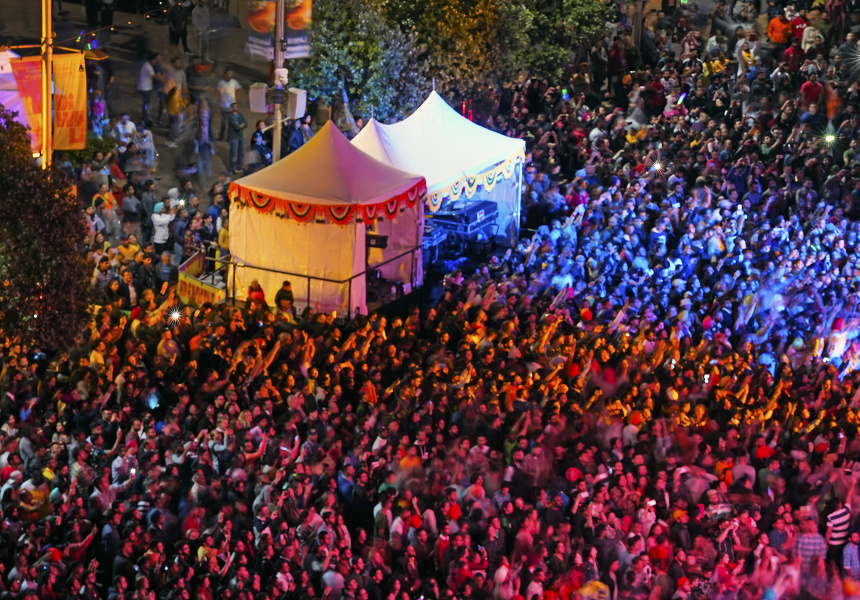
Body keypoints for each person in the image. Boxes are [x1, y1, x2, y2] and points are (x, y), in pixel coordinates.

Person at [217, 69, 242, 141]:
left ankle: (229, 136)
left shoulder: (234, 82)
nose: (230, 76)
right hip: (224, 105)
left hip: (232, 106)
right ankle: (221, 136)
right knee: (223, 123)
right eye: (228, 74)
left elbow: (239, 89)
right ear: (225, 74)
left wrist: (236, 98)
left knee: (230, 122)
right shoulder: (221, 83)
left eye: (231, 74)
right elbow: (218, 92)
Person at [227, 102, 247, 174]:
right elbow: (237, 127)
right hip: (234, 137)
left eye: (237, 106)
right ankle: (232, 169)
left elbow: (246, 123)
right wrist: (241, 125)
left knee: (241, 153)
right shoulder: (230, 116)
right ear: (232, 108)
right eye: (235, 106)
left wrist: (240, 125)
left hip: (240, 136)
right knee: (234, 154)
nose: (236, 108)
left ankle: (239, 167)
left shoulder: (240, 115)